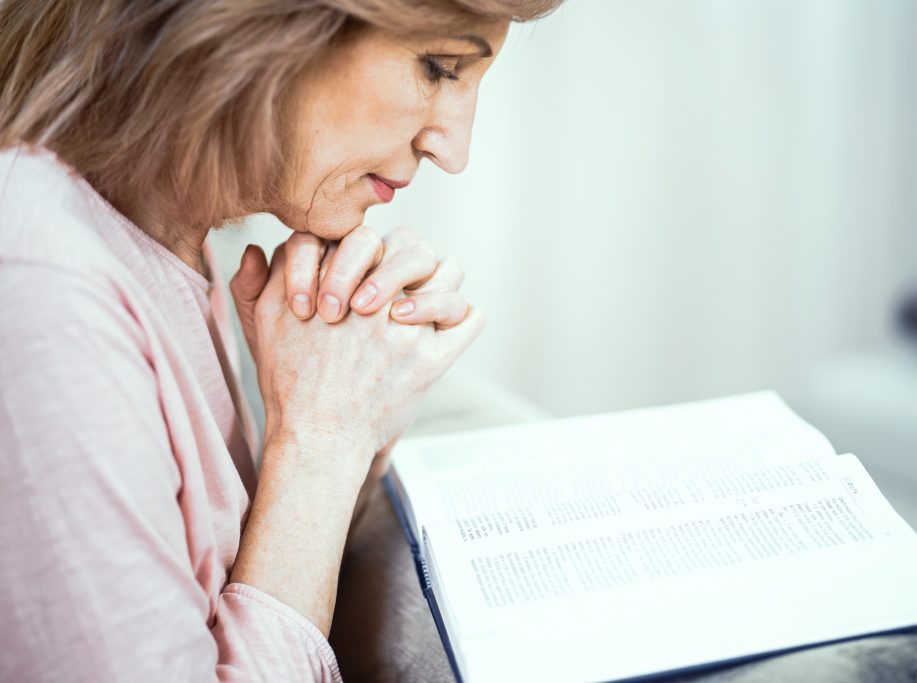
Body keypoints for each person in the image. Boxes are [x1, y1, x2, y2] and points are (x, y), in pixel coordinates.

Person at [0, 1, 557, 681]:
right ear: (267, 23)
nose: (454, 149)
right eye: (437, 66)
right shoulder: (42, 286)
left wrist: (350, 405)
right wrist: (322, 442)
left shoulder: (172, 230)